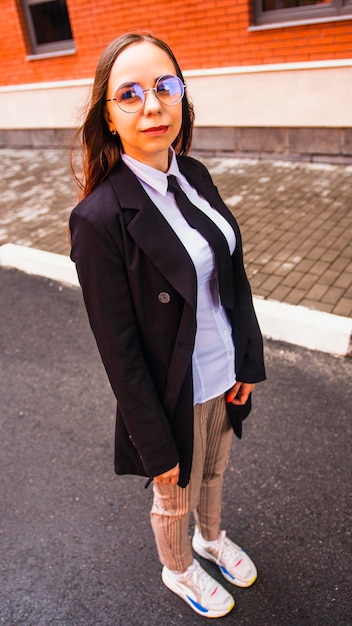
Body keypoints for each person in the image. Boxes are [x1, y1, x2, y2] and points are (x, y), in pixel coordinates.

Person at [69, 32, 266, 619]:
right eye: (128, 94)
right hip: (169, 393)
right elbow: (119, 352)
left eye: (165, 86)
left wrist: (247, 361)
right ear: (108, 116)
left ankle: (212, 541)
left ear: (183, 95)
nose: (152, 106)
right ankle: (178, 570)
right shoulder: (99, 219)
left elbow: (233, 274)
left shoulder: (195, 173)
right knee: (174, 491)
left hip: (222, 371)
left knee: (214, 472)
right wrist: (153, 443)